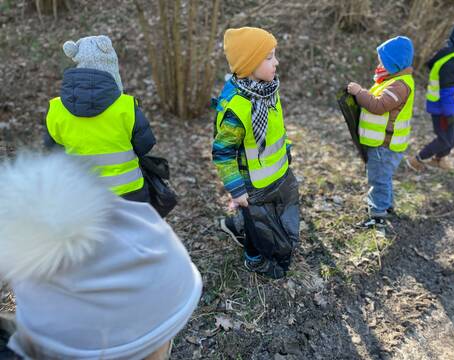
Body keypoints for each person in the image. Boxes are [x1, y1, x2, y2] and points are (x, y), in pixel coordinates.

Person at [0, 151, 202, 360]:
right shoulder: (127, 115)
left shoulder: (58, 117)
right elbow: (144, 140)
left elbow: (53, 141)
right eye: (164, 339)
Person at [212, 27, 300, 279]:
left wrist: (285, 150)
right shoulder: (239, 108)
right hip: (252, 183)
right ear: (250, 63)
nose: (277, 62)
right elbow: (223, 152)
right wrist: (237, 190)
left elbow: (276, 128)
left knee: (275, 213)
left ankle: (236, 224)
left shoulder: (269, 91)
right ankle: (254, 258)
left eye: (275, 55)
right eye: (269, 57)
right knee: (257, 225)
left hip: (278, 172)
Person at [44, 35, 156, 202]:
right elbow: (145, 145)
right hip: (129, 193)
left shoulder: (56, 109)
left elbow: (52, 148)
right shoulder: (126, 106)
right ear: (112, 70)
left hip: (80, 195)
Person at [347, 36, 415, 229]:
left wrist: (360, 92)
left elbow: (379, 106)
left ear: (394, 63)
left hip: (384, 144)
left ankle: (378, 215)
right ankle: (387, 205)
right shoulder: (393, 80)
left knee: (378, 179)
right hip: (382, 143)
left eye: (382, 60)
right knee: (383, 176)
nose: (379, 64)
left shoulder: (399, 85)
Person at [407, 21, 454, 171]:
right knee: (445, 139)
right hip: (443, 110)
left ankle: (439, 159)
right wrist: (449, 113)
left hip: (451, 108)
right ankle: (417, 159)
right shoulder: (452, 61)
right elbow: (447, 90)